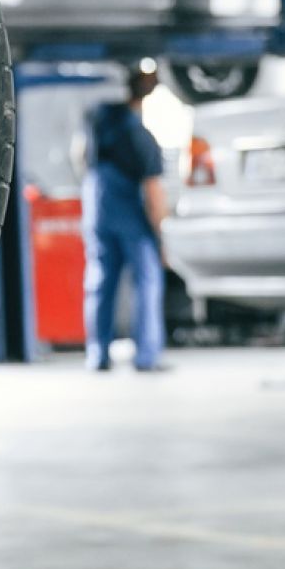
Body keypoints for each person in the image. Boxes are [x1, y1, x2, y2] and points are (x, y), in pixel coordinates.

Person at [81, 64, 170, 373]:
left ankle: (97, 355)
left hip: (97, 209)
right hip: (131, 218)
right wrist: (162, 237)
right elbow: (153, 192)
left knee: (100, 281)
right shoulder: (142, 137)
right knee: (147, 281)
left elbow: (79, 156)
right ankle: (146, 356)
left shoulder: (99, 118)